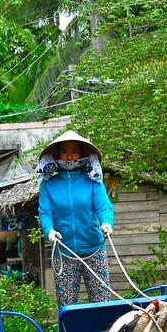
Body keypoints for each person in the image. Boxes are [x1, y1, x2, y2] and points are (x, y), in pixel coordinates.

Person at [36, 131, 115, 307]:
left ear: (82, 154)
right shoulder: (48, 185)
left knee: (102, 302)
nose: (70, 157)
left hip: (94, 250)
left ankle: (102, 327)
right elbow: (45, 212)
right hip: (64, 252)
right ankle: (70, 328)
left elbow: (104, 206)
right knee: (67, 306)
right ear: (57, 155)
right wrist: (49, 231)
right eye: (64, 151)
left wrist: (106, 223)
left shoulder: (92, 180)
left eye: (74, 151)